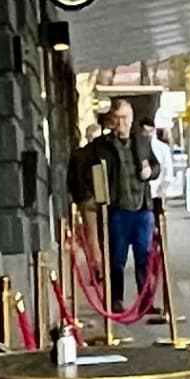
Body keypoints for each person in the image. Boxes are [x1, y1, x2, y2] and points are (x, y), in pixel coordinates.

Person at [69, 99, 163, 317]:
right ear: (111, 121)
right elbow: (81, 162)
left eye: (125, 118)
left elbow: (155, 165)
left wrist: (151, 171)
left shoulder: (142, 141)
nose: (122, 122)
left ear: (132, 119)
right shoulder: (101, 147)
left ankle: (145, 301)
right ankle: (116, 300)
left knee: (145, 257)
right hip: (117, 210)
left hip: (142, 209)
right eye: (117, 118)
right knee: (116, 259)